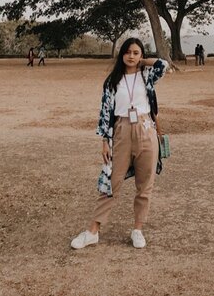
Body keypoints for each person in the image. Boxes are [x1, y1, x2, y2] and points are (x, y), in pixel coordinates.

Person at [71, 37, 168, 250]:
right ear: (121, 54)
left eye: (136, 53)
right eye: (128, 52)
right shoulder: (112, 81)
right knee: (110, 183)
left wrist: (144, 63)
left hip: (145, 129)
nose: (131, 56)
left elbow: (164, 64)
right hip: (121, 131)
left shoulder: (147, 75)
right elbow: (105, 112)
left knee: (145, 185)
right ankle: (92, 231)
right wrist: (105, 141)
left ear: (141, 55)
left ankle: (138, 229)